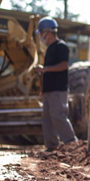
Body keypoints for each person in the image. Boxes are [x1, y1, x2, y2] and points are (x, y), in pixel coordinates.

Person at [34, 16, 78, 151]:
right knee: (47, 119)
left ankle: (71, 143)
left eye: (42, 34)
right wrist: (43, 88)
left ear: (48, 32)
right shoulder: (50, 49)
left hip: (58, 89)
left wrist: (45, 69)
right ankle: (51, 146)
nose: (41, 37)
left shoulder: (61, 46)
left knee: (58, 116)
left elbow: (64, 65)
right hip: (49, 90)